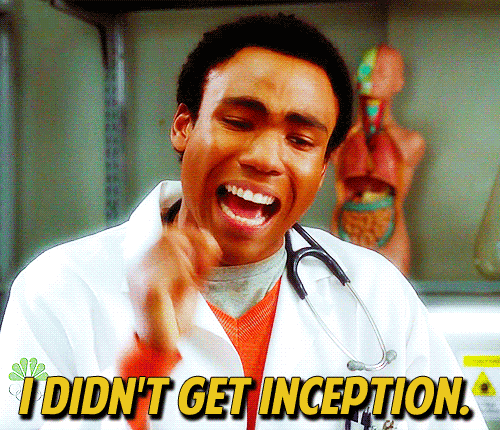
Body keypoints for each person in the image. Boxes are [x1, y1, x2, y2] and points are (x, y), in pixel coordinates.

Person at [0, 14, 486, 430]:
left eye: (301, 140)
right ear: (183, 127)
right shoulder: (57, 292)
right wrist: (149, 359)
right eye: (238, 122)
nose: (265, 158)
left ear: (323, 169)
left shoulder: (377, 293)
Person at [331, 45, 426, 275]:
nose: (372, 77)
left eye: (381, 72)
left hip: (388, 223)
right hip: (346, 219)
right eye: (366, 70)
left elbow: (407, 155)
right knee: (336, 280)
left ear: (398, 82)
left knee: (393, 283)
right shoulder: (341, 140)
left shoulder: (409, 141)